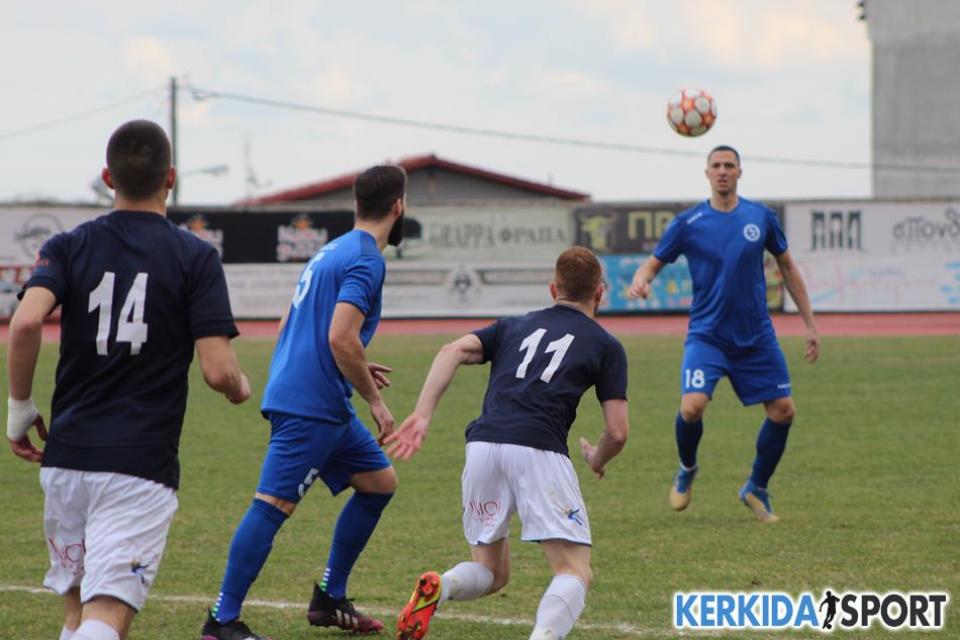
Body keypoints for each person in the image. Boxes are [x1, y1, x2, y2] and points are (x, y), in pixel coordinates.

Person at [6, 119, 250, 640]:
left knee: (76, 615)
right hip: (137, 465)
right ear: (171, 178)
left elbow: (25, 323)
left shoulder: (68, 245)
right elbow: (217, 370)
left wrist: (19, 409)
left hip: (67, 460)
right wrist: (239, 386)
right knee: (107, 615)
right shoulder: (195, 256)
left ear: (107, 178)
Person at [200, 165, 408, 639]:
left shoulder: (331, 250)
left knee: (379, 483)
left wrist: (354, 365)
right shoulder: (367, 259)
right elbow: (339, 336)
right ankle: (221, 621)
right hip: (311, 403)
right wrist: (375, 400)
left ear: (357, 204)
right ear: (398, 206)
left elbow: (292, 324)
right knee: (271, 506)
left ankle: (329, 598)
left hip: (318, 396)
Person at [385, 246, 629, 640]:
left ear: (553, 289)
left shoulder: (514, 325)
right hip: (539, 449)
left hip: (483, 447)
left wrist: (423, 414)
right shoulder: (606, 345)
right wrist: (598, 458)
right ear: (599, 292)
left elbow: (451, 350)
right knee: (574, 570)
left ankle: (441, 586)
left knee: (491, 572)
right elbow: (617, 431)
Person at [628, 144, 819, 523]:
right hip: (708, 336)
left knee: (783, 411)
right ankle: (687, 468)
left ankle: (756, 487)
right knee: (691, 407)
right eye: (716, 165)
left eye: (729, 165)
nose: (722, 171)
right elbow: (651, 265)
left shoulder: (760, 217)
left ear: (739, 173)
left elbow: (788, 267)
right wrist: (641, 281)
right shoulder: (688, 223)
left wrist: (810, 324)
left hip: (756, 337)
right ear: (707, 173)